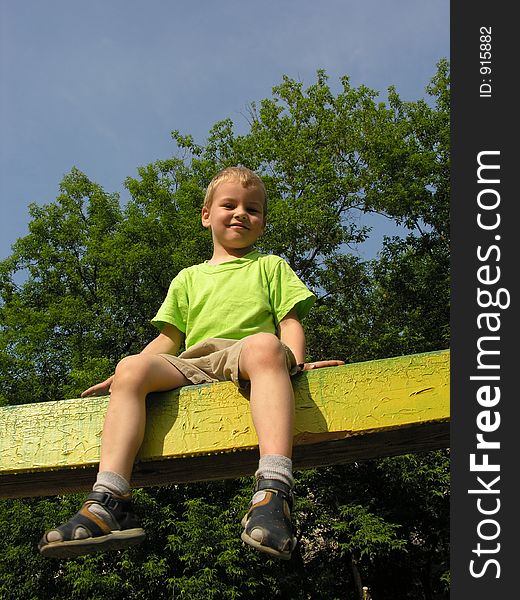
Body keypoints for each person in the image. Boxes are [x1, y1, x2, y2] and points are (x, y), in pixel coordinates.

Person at [38, 166, 344, 561]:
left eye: (252, 209)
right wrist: (121, 375)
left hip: (247, 353)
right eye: (229, 205)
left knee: (268, 344)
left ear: (263, 222)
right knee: (131, 366)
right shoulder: (188, 278)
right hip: (195, 362)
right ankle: (109, 501)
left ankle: (274, 491)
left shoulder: (270, 266)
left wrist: (295, 366)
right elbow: (169, 339)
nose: (240, 214)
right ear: (206, 215)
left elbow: (290, 323)